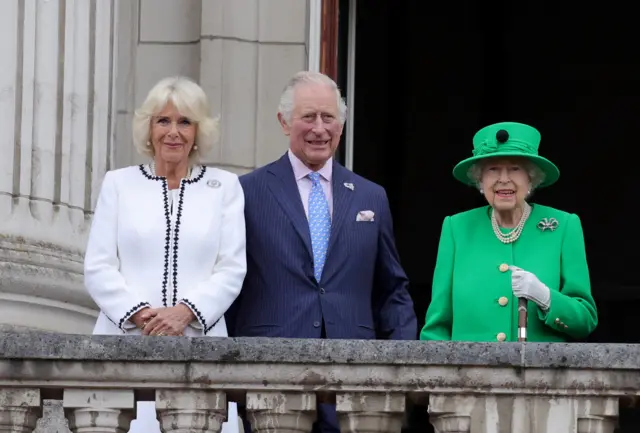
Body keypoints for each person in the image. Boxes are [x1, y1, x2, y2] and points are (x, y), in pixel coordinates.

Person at [226, 71, 417, 433]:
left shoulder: (370, 196)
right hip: (269, 372)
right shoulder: (245, 192)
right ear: (284, 122)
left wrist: (403, 359)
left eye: (328, 118)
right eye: (308, 117)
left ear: (341, 125)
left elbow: (392, 288)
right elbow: (229, 283)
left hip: (355, 377)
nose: (319, 128)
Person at [84, 76, 245, 433]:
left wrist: (184, 313)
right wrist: (143, 317)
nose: (173, 132)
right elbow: (98, 266)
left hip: (201, 350)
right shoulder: (119, 183)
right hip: (123, 348)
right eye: (163, 120)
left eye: (185, 121)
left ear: (198, 132)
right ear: (149, 128)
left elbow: (232, 268)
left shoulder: (225, 188)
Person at [420, 121, 598, 343]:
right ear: (480, 180)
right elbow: (437, 328)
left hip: (539, 373)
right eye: (493, 169)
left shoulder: (564, 226)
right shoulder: (456, 228)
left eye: (515, 168)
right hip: (467, 374)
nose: (504, 179)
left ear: (531, 178)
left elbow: (585, 320)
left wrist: (546, 297)